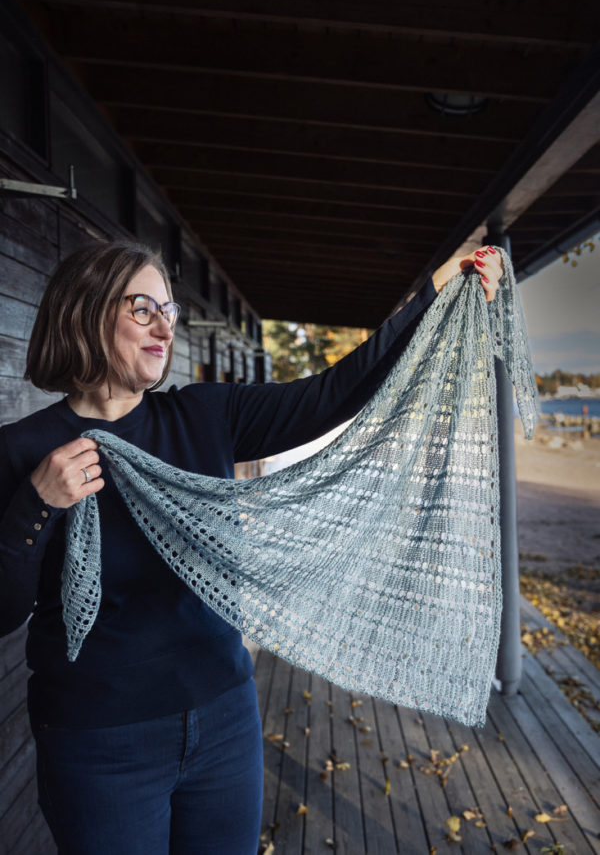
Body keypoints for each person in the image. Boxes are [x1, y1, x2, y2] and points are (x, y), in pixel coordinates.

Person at [0, 238, 503, 854]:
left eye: (170, 311)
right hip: (100, 743)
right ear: (86, 311)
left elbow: (333, 393)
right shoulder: (23, 451)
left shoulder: (202, 416)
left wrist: (431, 296)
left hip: (223, 721)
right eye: (142, 309)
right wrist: (38, 504)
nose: (164, 327)